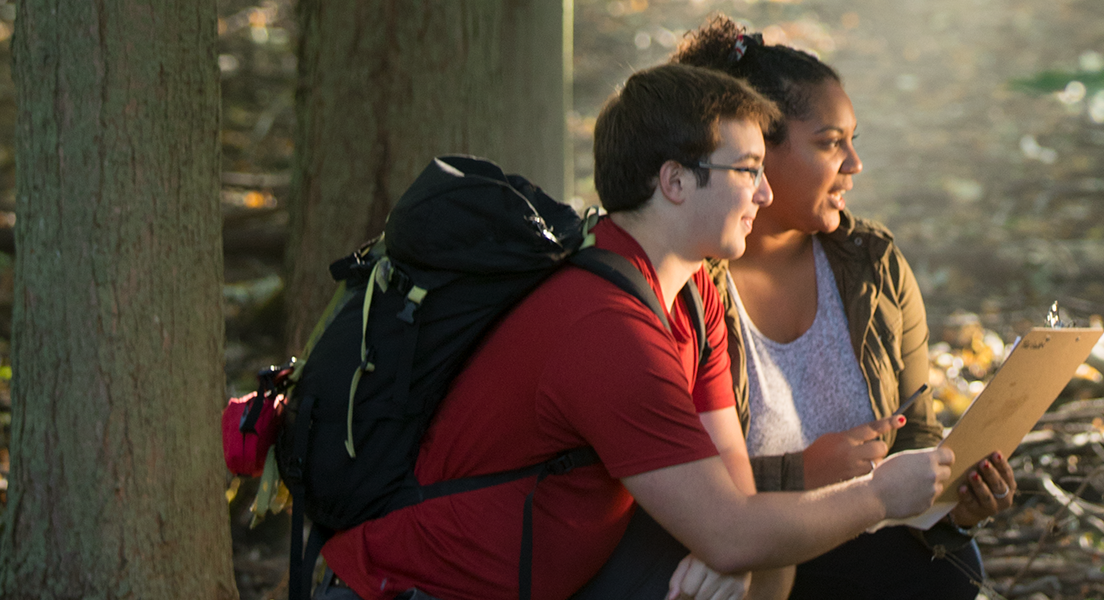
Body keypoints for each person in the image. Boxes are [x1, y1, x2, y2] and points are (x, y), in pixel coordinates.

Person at [314, 63, 955, 600]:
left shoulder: (695, 291)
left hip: (564, 569)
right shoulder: (605, 328)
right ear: (674, 181)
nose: (764, 194)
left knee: (762, 558)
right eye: (748, 170)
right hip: (419, 587)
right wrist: (876, 495)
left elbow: (734, 497)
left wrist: (729, 546)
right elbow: (731, 527)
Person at [669, 16, 1020, 600]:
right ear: (756, 147)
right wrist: (800, 476)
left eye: (854, 141)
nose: (854, 164)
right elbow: (663, 479)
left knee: (950, 568)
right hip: (724, 556)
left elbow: (915, 434)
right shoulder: (688, 280)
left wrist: (958, 500)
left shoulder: (873, 266)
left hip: (854, 543)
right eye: (832, 143)